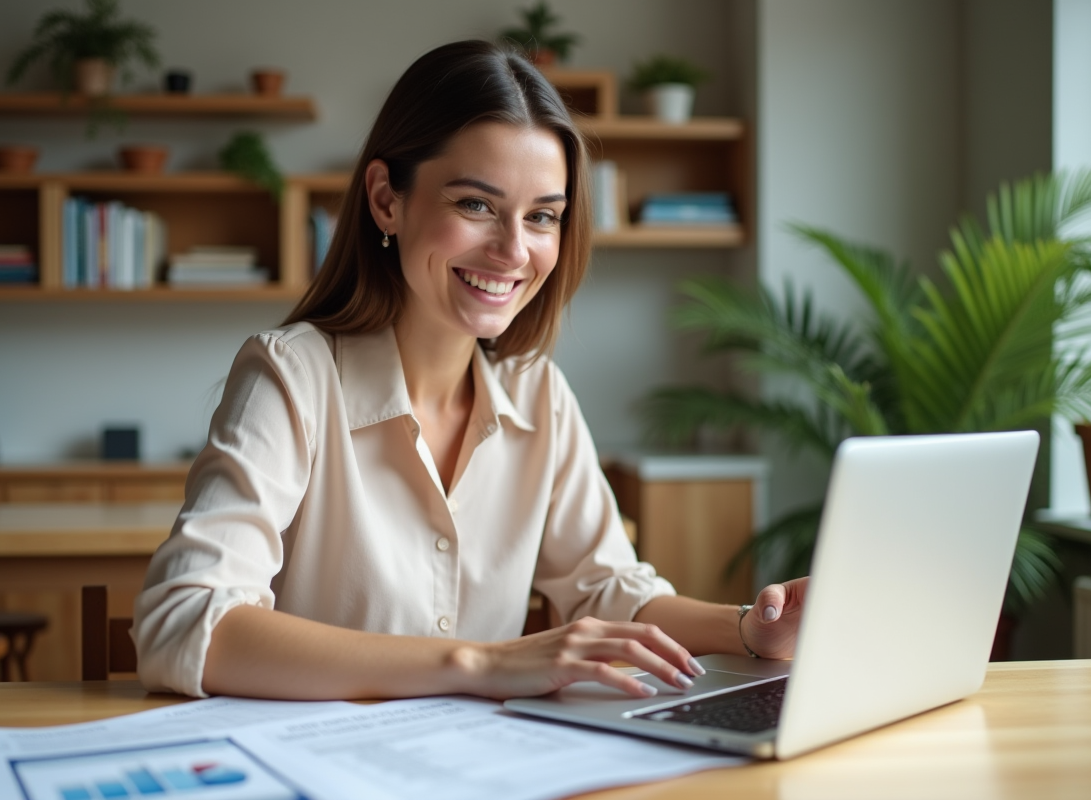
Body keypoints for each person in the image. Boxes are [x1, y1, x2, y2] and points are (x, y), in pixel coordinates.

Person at [132, 40, 807, 702]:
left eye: (542, 215)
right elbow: (186, 624)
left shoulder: (538, 394)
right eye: (476, 205)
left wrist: (753, 629)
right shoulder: (292, 376)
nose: (514, 250)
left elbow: (608, 590)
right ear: (385, 199)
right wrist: (480, 663)